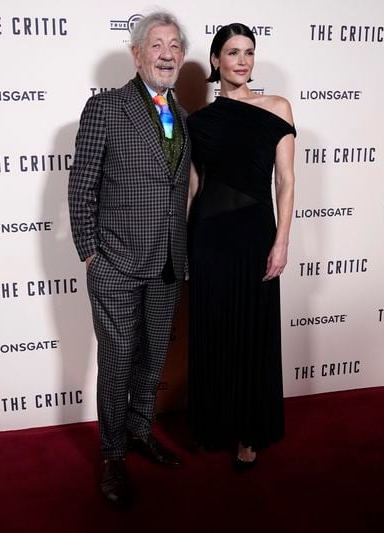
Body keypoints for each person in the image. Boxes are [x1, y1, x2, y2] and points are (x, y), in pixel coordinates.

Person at [67, 11, 190, 505]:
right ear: (136, 54)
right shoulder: (106, 109)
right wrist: (91, 254)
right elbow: (81, 188)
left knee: (153, 356)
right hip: (115, 263)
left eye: (175, 45)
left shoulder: (181, 115)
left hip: (168, 263)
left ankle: (140, 430)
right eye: (156, 45)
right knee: (117, 363)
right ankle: (113, 455)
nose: (167, 53)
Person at [186, 23, 296, 470]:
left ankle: (249, 433)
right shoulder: (198, 122)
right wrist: (182, 245)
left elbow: (286, 182)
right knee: (214, 329)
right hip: (209, 237)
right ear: (216, 61)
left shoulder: (277, 108)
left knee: (252, 330)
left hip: (254, 235)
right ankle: (214, 423)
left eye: (249, 52)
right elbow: (194, 186)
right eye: (232, 53)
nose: (242, 61)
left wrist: (281, 240)